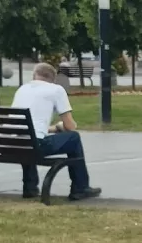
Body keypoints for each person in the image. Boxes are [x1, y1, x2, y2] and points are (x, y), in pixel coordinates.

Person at [11, 62, 102, 201]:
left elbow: (31, 126)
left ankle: (30, 187)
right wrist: (61, 126)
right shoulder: (56, 90)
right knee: (73, 138)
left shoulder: (22, 89)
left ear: (34, 75)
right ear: (53, 79)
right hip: (36, 145)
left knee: (28, 139)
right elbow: (70, 127)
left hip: (13, 143)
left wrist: (55, 128)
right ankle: (80, 187)